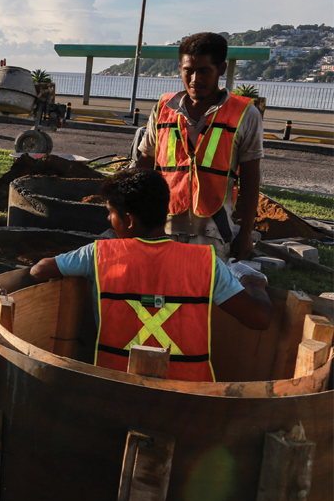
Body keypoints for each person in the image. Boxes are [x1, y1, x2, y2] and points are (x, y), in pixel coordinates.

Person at [30, 169, 272, 382]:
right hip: (189, 396)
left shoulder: (98, 255)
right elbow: (258, 318)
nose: (108, 219)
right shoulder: (207, 263)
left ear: (128, 220)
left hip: (113, 386)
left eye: (111, 213)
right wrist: (252, 282)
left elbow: (39, 269)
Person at [134, 32, 263, 261]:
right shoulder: (163, 108)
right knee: (162, 293)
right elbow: (145, 163)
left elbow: (251, 178)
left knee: (204, 294)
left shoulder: (245, 115)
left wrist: (245, 233)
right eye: (188, 70)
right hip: (163, 225)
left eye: (204, 70)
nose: (194, 78)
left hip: (213, 231)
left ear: (221, 69)